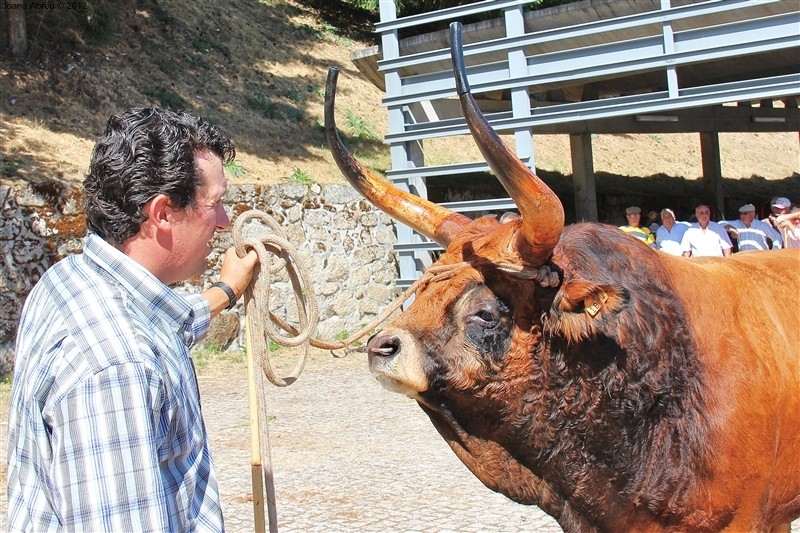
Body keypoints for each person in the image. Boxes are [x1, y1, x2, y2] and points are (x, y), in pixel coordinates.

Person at [7, 108, 259, 532]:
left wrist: (226, 291)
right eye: (215, 205)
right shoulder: (117, 367)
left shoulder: (69, 281)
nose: (224, 222)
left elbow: (163, 324)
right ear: (162, 213)